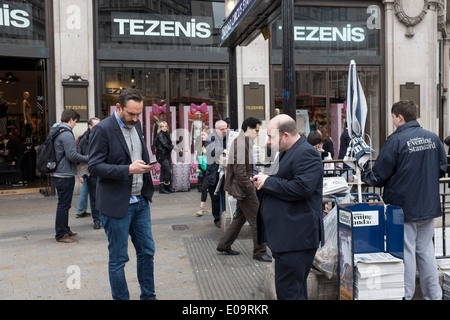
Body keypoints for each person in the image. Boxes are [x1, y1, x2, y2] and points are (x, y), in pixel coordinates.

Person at [362, 100, 447, 300]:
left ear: (400, 117)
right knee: (426, 252)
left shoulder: (396, 140)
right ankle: (434, 296)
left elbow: (379, 175)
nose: (392, 121)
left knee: (407, 253)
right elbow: (442, 168)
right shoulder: (433, 138)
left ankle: (405, 296)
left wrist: (366, 176)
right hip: (428, 205)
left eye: (393, 117)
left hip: (404, 208)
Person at [88, 88, 157, 300]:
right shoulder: (103, 129)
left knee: (147, 252)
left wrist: (145, 168)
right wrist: (128, 169)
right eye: (131, 114)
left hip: (140, 202)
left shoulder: (136, 127)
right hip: (117, 204)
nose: (135, 119)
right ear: (118, 108)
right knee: (118, 259)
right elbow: (94, 167)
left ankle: (149, 297)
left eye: (138, 114)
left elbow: (138, 157)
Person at [253, 114, 324, 300]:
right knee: (293, 291)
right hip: (289, 238)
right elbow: (286, 181)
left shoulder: (306, 153)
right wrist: (265, 180)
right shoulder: (288, 151)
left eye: (271, 136)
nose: (268, 141)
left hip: (296, 239)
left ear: (286, 135)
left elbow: (302, 188)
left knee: (289, 293)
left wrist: (268, 182)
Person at [217, 117, 272, 262]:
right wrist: (249, 189)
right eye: (257, 130)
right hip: (244, 189)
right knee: (258, 219)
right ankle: (259, 251)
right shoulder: (241, 144)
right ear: (249, 128)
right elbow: (240, 171)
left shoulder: (242, 142)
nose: (258, 133)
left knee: (239, 218)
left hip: (242, 187)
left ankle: (224, 244)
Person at [51, 109, 88, 243]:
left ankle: (65, 229)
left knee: (64, 204)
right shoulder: (66, 134)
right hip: (64, 174)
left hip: (60, 173)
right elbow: (72, 155)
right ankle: (61, 234)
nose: (75, 125)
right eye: (75, 122)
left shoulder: (57, 130)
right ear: (71, 120)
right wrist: (88, 158)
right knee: (63, 205)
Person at [78, 117, 101, 228]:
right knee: (94, 197)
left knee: (104, 196)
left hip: (104, 172)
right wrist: (82, 174)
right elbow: (80, 158)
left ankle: (105, 218)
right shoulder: (84, 140)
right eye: (95, 125)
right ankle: (96, 220)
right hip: (91, 173)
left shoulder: (105, 137)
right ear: (90, 126)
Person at [205, 119, 228, 227]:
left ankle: (225, 214)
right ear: (216, 129)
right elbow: (211, 151)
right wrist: (223, 150)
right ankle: (217, 219)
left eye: (226, 128)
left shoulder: (228, 138)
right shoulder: (211, 137)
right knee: (215, 198)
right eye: (222, 129)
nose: (224, 131)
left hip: (225, 173)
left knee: (225, 196)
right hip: (214, 173)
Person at [154, 121, 175, 194]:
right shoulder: (160, 135)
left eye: (165, 126)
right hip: (161, 155)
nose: (164, 128)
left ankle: (162, 188)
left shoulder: (166, 135)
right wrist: (173, 148)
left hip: (166, 155)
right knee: (168, 171)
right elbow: (165, 144)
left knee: (163, 171)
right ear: (160, 128)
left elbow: (169, 144)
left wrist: (176, 148)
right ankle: (166, 186)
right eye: (162, 126)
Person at [195, 126, 210, 216]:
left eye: (204, 134)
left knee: (205, 188)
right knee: (208, 189)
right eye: (201, 134)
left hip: (210, 170)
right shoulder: (201, 144)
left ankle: (201, 208)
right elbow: (199, 157)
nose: (202, 136)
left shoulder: (211, 144)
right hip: (204, 169)